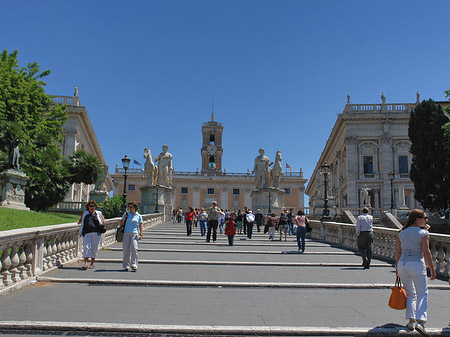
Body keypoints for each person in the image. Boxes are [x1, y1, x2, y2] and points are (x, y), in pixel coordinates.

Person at [395, 209, 436, 335]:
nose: (426, 219)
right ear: (418, 220)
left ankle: (411, 320)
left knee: (410, 293)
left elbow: (399, 252)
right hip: (416, 264)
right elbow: (426, 252)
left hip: (403, 264)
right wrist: (432, 269)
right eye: (425, 217)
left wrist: (397, 268)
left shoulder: (401, 233)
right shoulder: (423, 234)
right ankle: (420, 321)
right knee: (422, 293)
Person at [78, 200, 106, 270]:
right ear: (88, 207)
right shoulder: (85, 213)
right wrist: (78, 222)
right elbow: (80, 220)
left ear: (95, 207)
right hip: (86, 232)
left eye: (93, 206)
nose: (92, 207)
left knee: (94, 248)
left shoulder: (98, 213)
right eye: (90, 206)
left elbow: (103, 221)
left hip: (96, 233)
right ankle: (86, 263)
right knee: (86, 247)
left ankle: (92, 263)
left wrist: (103, 222)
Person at [120, 201, 143, 272]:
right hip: (126, 233)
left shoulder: (138, 216)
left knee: (134, 249)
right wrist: (124, 218)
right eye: (129, 207)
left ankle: (134, 264)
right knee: (126, 250)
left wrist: (141, 234)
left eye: (131, 207)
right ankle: (126, 265)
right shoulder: (126, 214)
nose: (130, 208)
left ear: (135, 207)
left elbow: (140, 226)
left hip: (134, 233)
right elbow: (121, 224)